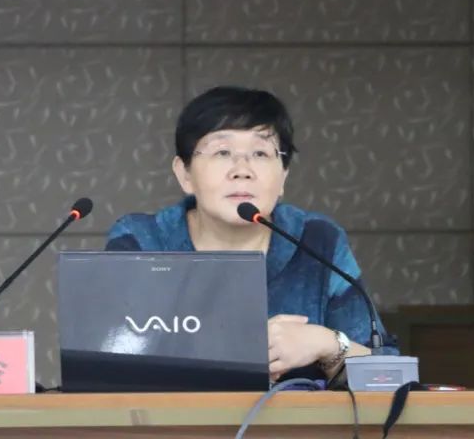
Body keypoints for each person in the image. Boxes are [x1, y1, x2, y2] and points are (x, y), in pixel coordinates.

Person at [105, 85, 398, 383]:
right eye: (222, 152)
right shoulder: (143, 241)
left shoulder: (317, 241)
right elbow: (104, 361)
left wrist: (326, 344)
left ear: (283, 176)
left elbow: (389, 376)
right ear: (185, 174)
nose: (242, 170)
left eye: (260, 152)